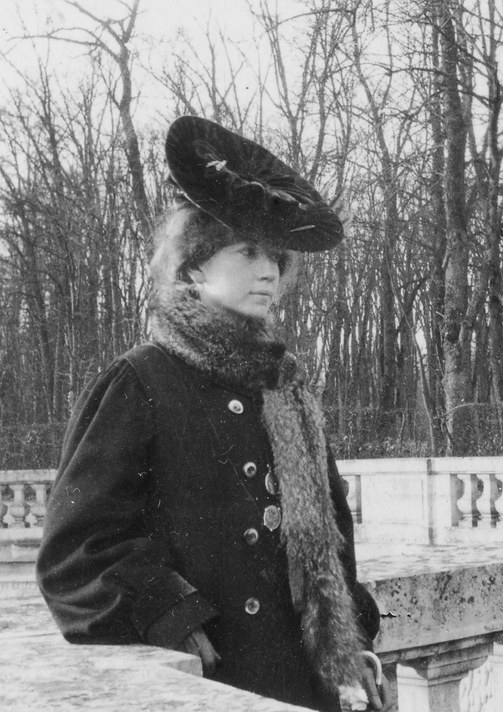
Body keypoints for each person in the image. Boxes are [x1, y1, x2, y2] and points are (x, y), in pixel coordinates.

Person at [36, 116, 385, 712]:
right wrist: (169, 616)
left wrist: (352, 644)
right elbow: (77, 550)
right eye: (247, 251)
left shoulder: (286, 386)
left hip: (308, 681)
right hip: (216, 680)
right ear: (195, 266)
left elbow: (334, 540)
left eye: (275, 256)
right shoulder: (141, 381)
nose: (268, 270)